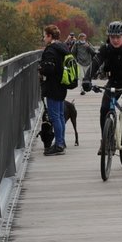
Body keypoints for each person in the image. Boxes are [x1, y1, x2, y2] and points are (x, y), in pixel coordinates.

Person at [83, 21, 122, 151]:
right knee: (104, 109)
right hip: (114, 82)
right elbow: (96, 62)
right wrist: (86, 79)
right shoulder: (106, 48)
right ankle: (106, 140)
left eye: (118, 37)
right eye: (112, 37)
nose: (115, 40)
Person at [38, 24, 70, 155]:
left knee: (55, 116)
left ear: (50, 36)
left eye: (44, 36)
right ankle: (61, 141)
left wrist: (41, 69)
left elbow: (49, 69)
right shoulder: (63, 47)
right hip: (62, 85)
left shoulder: (51, 50)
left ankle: (58, 145)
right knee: (60, 115)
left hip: (53, 86)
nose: (43, 38)